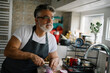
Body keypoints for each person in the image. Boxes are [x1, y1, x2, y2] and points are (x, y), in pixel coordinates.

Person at [1, 4, 59, 73]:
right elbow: (8, 51)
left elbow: (55, 57)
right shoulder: (24, 30)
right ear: (36, 20)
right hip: (11, 70)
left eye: (52, 17)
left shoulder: (51, 38)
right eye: (46, 17)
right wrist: (31, 56)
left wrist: (55, 60)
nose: (50, 21)